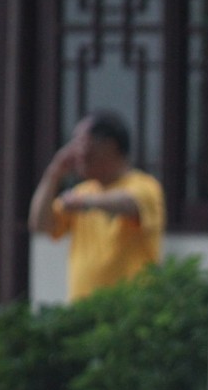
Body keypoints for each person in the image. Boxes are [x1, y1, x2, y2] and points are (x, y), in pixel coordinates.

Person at [27, 109, 166, 301]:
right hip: (84, 308)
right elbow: (40, 225)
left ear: (109, 146)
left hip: (131, 309)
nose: (77, 152)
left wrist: (85, 203)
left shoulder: (145, 185)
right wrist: (53, 174)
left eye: (82, 142)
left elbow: (129, 203)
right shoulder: (82, 191)